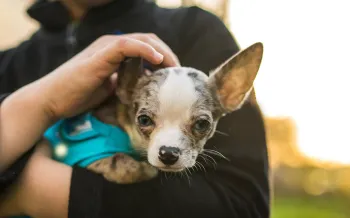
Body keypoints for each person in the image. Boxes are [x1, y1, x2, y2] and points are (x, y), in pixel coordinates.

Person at [0, 0, 270, 217]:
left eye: (199, 124)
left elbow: (244, 208)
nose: (170, 146)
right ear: (125, 86)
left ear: (232, 93)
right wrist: (42, 102)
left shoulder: (197, 31)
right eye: (147, 120)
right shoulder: (8, 64)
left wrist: (32, 190)